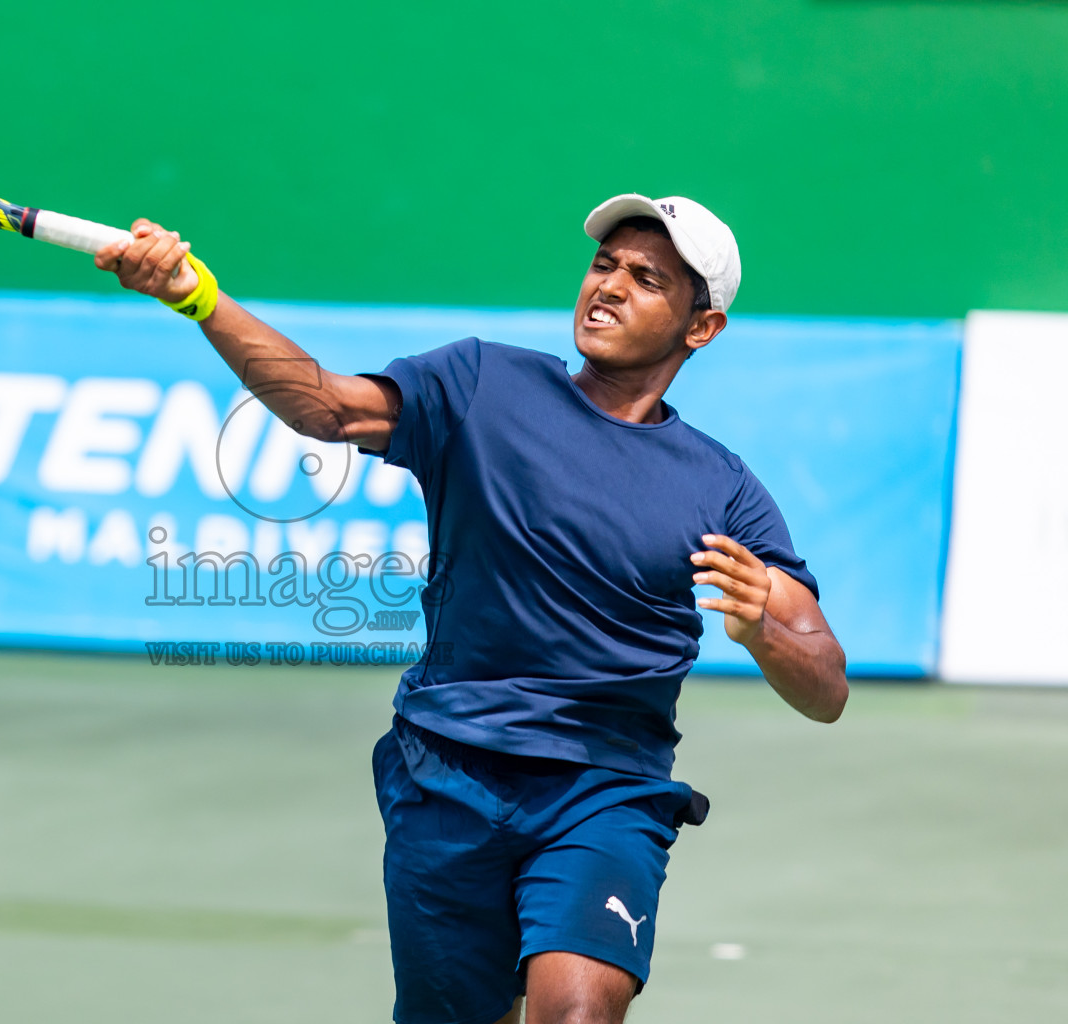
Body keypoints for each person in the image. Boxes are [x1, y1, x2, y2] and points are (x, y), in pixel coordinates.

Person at [95, 193, 848, 1024]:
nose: (608, 287)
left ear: (699, 328)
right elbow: (327, 407)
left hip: (603, 792)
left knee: (574, 1015)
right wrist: (197, 296)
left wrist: (761, 629)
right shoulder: (484, 383)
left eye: (647, 279)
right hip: (446, 771)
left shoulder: (722, 488)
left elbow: (826, 687)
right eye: (604, 265)